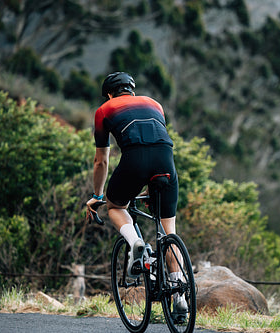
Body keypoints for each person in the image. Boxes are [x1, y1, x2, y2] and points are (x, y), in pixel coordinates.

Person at [86, 71, 186, 314]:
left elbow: (101, 161)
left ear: (109, 94)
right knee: (168, 231)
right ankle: (181, 299)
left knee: (116, 206)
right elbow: (156, 139)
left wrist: (98, 196)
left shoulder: (104, 110)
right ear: (131, 89)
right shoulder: (154, 104)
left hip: (135, 161)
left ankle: (135, 243)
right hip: (166, 162)